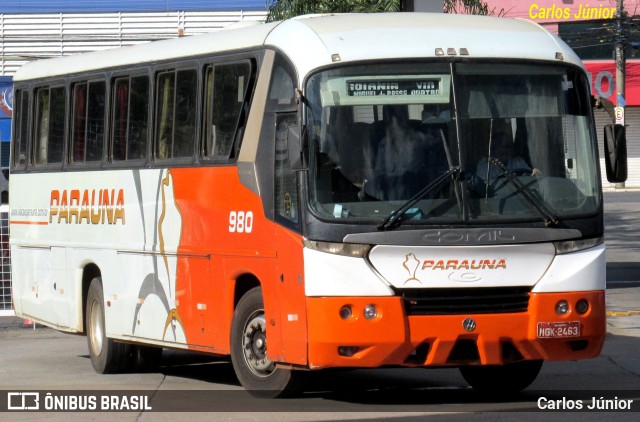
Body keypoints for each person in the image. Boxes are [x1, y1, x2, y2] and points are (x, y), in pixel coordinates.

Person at [369, 105, 437, 200]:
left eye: (397, 121)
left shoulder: (416, 138)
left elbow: (435, 141)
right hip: (391, 193)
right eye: (389, 123)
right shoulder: (384, 143)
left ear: (403, 123)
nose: (393, 126)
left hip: (416, 192)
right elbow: (379, 171)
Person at [476, 131, 540, 184]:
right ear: (493, 148)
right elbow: (484, 189)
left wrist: (535, 175)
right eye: (501, 146)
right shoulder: (484, 167)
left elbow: (530, 178)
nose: (505, 150)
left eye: (508, 146)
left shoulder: (519, 162)